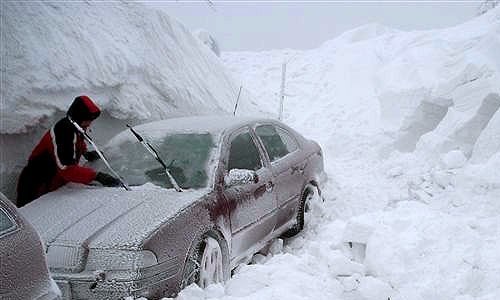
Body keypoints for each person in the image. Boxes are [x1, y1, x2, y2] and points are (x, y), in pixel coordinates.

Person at [16, 95, 121, 207]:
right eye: (88, 120)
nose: (89, 124)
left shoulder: (74, 126)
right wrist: (97, 176)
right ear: (79, 117)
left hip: (55, 184)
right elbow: (67, 169)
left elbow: (77, 142)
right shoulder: (63, 132)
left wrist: (86, 153)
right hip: (36, 187)